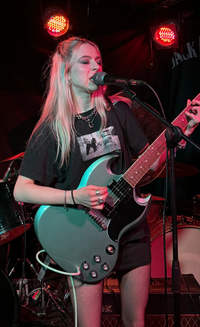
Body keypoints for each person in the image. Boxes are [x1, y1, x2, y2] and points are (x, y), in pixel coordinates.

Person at [13, 36, 200, 327]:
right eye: (85, 62)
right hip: (83, 234)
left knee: (135, 321)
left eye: (98, 61)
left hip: (130, 229)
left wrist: (183, 128)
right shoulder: (52, 129)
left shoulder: (119, 111)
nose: (95, 67)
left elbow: (148, 164)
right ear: (66, 73)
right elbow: (21, 189)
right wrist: (75, 196)